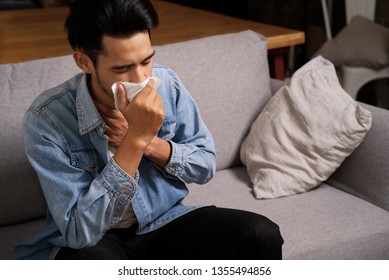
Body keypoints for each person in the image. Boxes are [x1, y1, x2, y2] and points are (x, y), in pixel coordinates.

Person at [15, 0, 283, 260]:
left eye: (147, 61)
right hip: (96, 241)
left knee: (260, 235)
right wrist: (133, 142)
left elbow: (205, 165)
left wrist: (150, 143)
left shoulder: (167, 84)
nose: (141, 79)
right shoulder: (47, 119)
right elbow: (80, 232)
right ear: (84, 62)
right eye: (123, 68)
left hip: (163, 221)